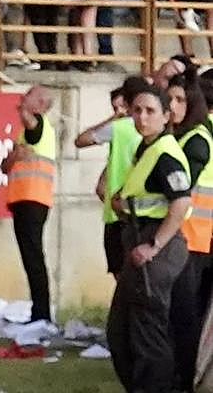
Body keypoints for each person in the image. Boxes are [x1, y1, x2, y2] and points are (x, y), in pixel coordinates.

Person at [107, 86, 192, 393]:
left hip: (154, 249)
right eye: (137, 110)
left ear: (166, 116)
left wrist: (154, 245)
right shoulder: (147, 148)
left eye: (150, 111)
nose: (141, 117)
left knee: (147, 336)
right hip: (137, 240)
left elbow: (180, 201)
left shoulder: (165, 153)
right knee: (120, 333)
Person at [167, 76, 213, 392]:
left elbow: (181, 190)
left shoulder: (197, 139)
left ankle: (185, 378)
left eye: (179, 100)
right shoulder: (184, 137)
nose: (172, 107)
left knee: (187, 317)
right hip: (190, 236)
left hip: (195, 237)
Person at [76, 76, 148, 275]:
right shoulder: (156, 129)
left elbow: (81, 140)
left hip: (117, 212)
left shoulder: (119, 128)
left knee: (121, 275)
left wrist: (113, 118)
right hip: (145, 212)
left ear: (125, 102)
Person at [1, 86, 56, 323]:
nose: (24, 95)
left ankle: (41, 314)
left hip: (34, 199)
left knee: (34, 258)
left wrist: (23, 107)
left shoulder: (40, 125)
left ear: (41, 105)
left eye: (30, 94)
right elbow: (5, 166)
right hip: (21, 200)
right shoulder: (23, 133)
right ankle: (38, 311)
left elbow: (28, 120)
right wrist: (15, 155)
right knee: (29, 257)